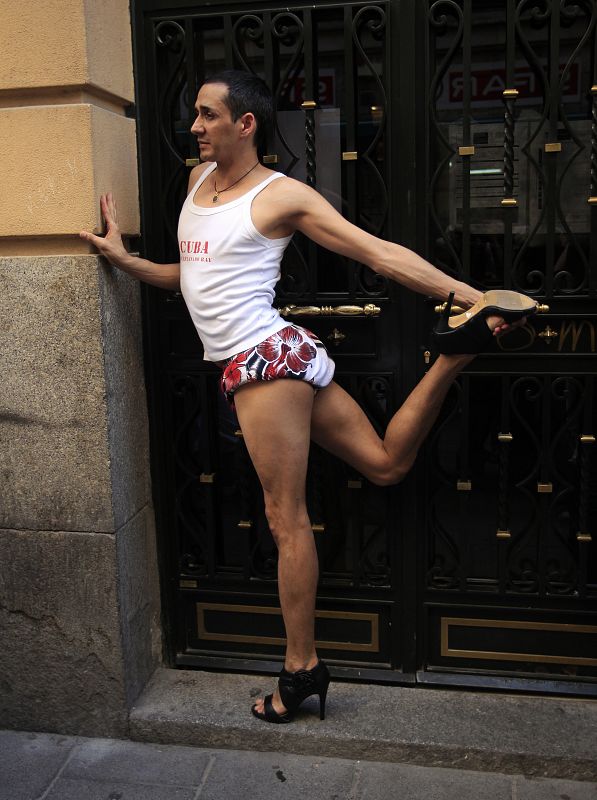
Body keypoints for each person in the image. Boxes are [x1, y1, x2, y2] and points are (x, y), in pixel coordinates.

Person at [80, 70, 535, 724]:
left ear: (246, 124)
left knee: (284, 519)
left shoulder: (280, 195)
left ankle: (300, 671)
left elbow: (376, 253)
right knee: (384, 465)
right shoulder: (196, 184)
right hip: (279, 357)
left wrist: (474, 297)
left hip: (263, 362)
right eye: (194, 116)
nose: (195, 127)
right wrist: (124, 260)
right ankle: (453, 356)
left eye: (207, 116)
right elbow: (190, 276)